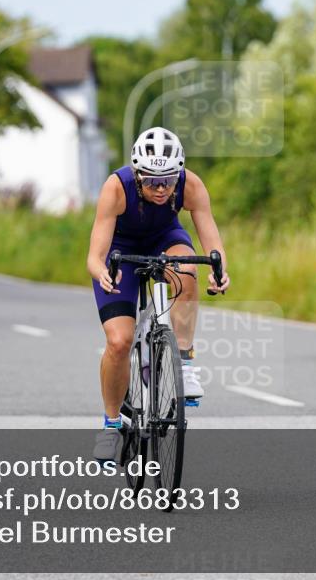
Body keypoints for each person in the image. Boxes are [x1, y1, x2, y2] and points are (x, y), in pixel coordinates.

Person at [86, 127, 230, 461]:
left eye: (168, 179)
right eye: (151, 181)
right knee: (119, 341)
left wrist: (220, 271)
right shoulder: (116, 187)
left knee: (187, 269)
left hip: (166, 237)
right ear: (137, 175)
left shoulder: (190, 184)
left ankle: (184, 359)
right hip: (120, 249)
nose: (162, 188)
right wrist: (102, 271)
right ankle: (111, 425)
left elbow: (211, 240)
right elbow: (95, 255)